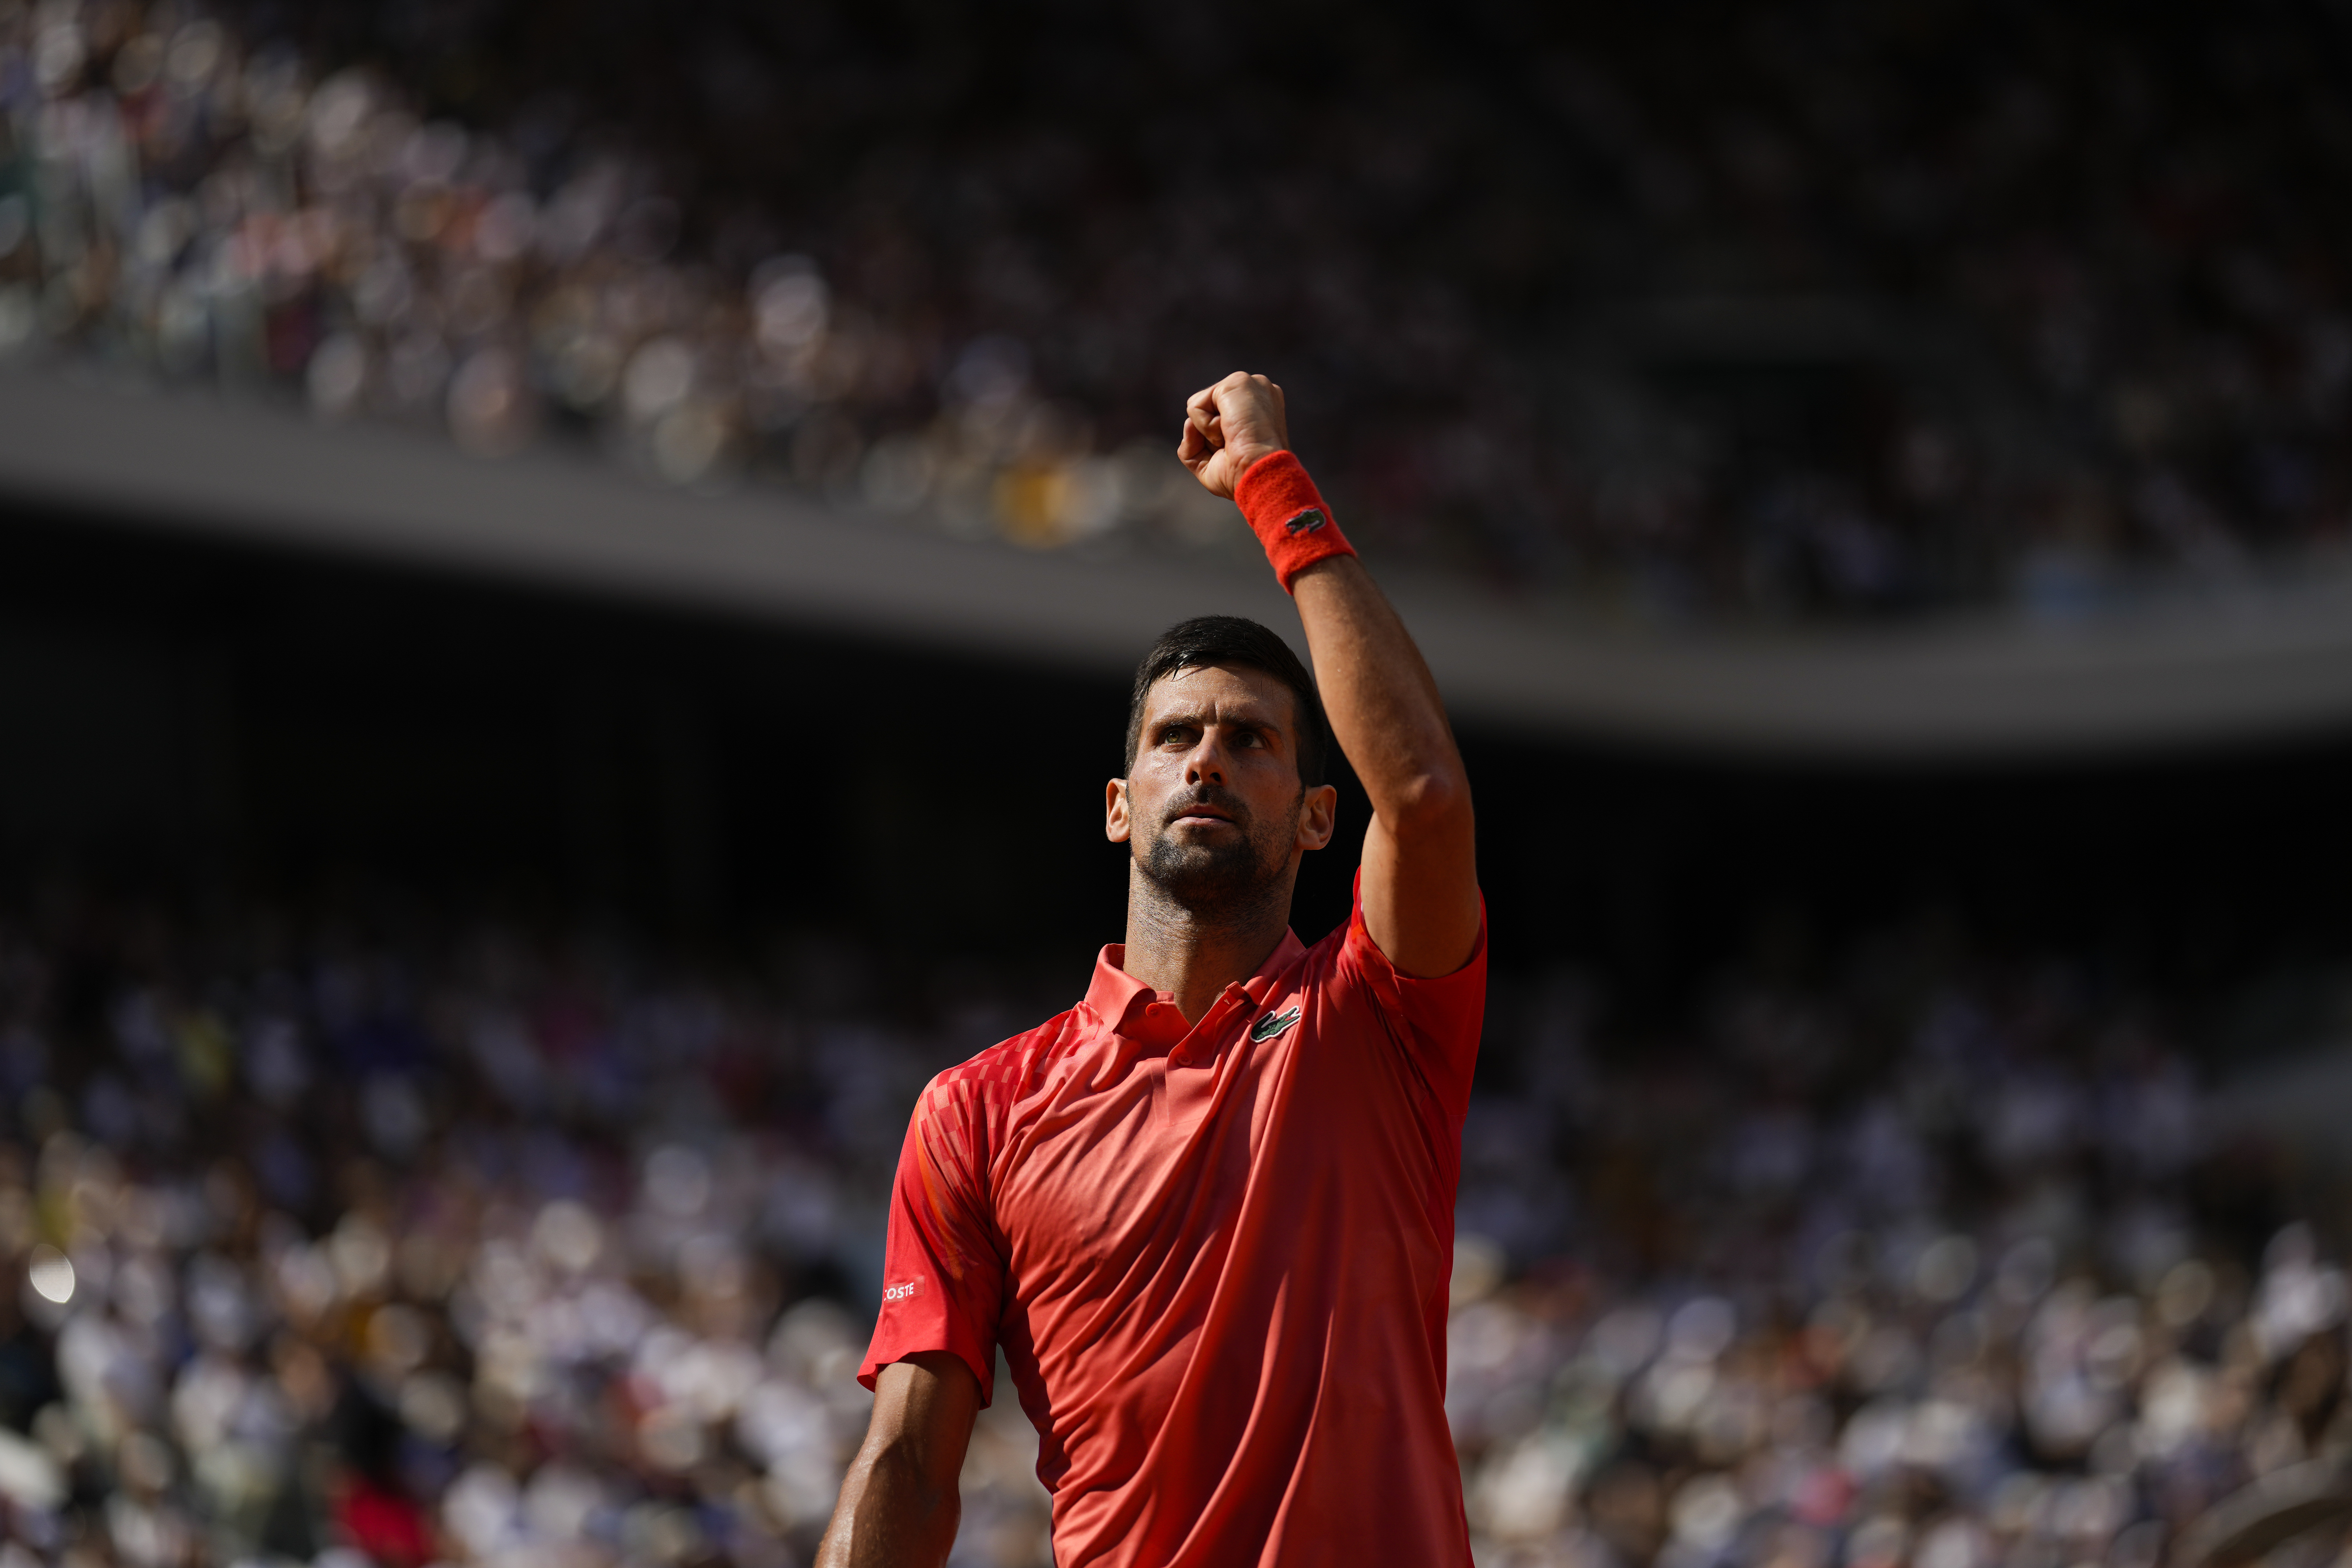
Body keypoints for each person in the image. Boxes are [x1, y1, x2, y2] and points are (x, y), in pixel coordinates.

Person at [817, 373, 1485, 1567]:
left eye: (1253, 740)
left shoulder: (1379, 1016)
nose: (1210, 762)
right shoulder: (977, 1113)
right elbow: (910, 1463)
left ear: (1321, 815)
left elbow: (1427, 797)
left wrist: (1272, 485)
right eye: (1177, 738)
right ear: (1122, 808)